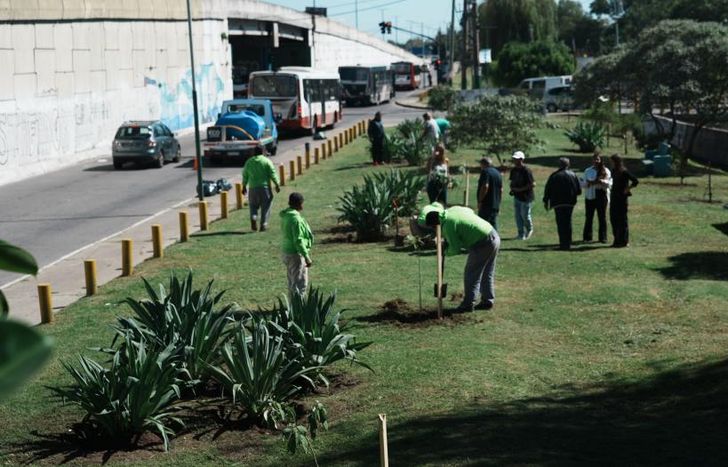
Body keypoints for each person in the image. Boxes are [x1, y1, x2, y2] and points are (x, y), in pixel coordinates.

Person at [424, 206, 500, 312]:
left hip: (482, 243)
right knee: (487, 272)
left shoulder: (448, 225)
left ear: (435, 224)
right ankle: (487, 301)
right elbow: (470, 211)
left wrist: (444, 251)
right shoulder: (451, 211)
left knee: (471, 274)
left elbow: (455, 248)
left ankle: (468, 304)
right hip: (493, 234)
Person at [543, 157, 582, 250]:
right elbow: (579, 190)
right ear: (568, 165)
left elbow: (548, 189)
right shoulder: (573, 175)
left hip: (557, 203)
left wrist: (546, 201)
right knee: (568, 222)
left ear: (559, 165)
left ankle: (562, 243)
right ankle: (568, 243)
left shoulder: (554, 175)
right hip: (570, 202)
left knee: (560, 223)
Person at [280, 192, 314, 298]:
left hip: (286, 251)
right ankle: (298, 307)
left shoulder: (286, 216)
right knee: (300, 283)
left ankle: (292, 305)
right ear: (299, 204)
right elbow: (298, 240)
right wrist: (306, 257)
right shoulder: (296, 219)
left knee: (292, 281)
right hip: (296, 254)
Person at [242, 145, 280, 232]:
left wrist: (244, 186)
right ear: (263, 152)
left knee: (253, 206)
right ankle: (263, 224)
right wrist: (277, 184)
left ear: (254, 152)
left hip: (252, 189)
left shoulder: (249, 162)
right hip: (265, 188)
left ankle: (253, 217)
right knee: (266, 206)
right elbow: (272, 173)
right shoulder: (267, 161)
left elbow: (245, 175)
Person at [582, 153, 612, 243]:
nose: (596, 161)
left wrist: (601, 181)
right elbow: (583, 184)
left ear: (601, 160)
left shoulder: (606, 171)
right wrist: (588, 183)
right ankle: (587, 237)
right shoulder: (588, 171)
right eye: (594, 159)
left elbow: (610, 184)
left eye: (598, 159)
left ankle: (603, 238)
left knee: (602, 217)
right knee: (589, 217)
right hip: (590, 196)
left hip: (602, 196)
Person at [609, 154, 639, 248]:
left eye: (612, 161)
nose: (611, 163)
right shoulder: (613, 171)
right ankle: (616, 240)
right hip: (614, 197)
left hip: (622, 198)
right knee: (614, 219)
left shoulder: (624, 171)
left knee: (622, 220)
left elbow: (635, 181)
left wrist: (628, 188)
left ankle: (624, 241)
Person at [509, 151, 536, 240]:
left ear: (522, 159)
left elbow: (533, 184)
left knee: (525, 215)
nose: (515, 160)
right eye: (514, 159)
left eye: (517, 159)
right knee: (518, 216)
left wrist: (520, 189)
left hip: (526, 197)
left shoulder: (526, 170)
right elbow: (512, 181)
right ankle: (521, 234)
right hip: (517, 197)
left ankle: (529, 229)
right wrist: (512, 188)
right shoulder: (513, 170)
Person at [477, 156, 503, 231]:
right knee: (493, 223)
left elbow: (485, 186)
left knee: (482, 224)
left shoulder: (485, 172)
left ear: (483, 164)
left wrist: (480, 201)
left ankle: (484, 241)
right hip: (495, 203)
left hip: (486, 203)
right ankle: (496, 239)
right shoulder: (498, 173)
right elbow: (501, 190)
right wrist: (498, 203)